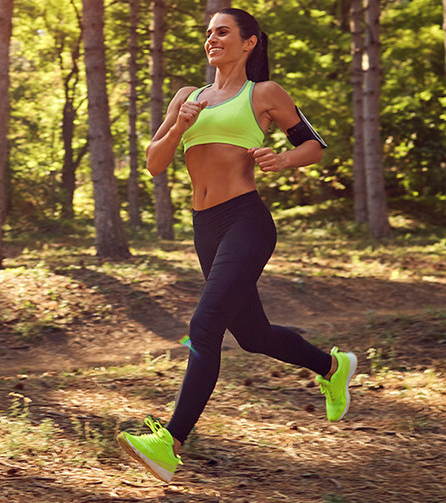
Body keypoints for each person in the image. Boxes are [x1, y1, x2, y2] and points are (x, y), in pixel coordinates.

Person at [115, 8, 356, 483]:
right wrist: (180, 124)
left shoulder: (263, 93)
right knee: (252, 335)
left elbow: (315, 145)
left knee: (204, 326)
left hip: (246, 220)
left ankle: (169, 442)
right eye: (207, 33)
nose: (212, 39)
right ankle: (331, 366)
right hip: (205, 226)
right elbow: (154, 163)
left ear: (249, 43)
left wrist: (281, 160)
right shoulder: (189, 96)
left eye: (222, 31)